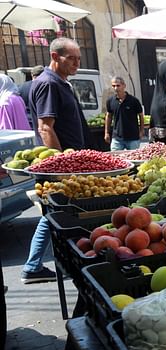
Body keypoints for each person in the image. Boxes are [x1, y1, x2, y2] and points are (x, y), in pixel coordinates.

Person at [23, 38, 87, 284]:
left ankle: (34, 265)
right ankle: (34, 265)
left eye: (79, 59)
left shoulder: (61, 83)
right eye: (71, 58)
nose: (76, 63)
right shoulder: (48, 84)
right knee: (54, 213)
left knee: (54, 213)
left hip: (71, 161)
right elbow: (46, 128)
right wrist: (62, 165)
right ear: (55, 55)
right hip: (61, 165)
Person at [104, 76, 144, 150]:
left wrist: (141, 130)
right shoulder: (110, 101)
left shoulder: (133, 101)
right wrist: (106, 132)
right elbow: (109, 116)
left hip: (133, 137)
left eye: (118, 85)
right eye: (113, 86)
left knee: (134, 159)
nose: (116, 88)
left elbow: (141, 115)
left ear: (124, 86)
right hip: (117, 138)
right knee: (115, 159)